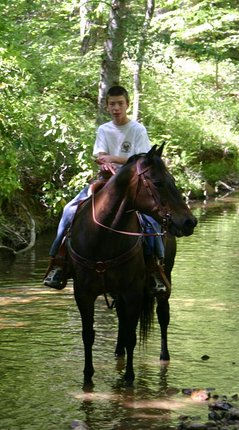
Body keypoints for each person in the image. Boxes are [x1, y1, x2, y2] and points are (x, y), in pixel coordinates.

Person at [43, 85, 166, 293]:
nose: (116, 108)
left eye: (120, 104)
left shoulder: (137, 130)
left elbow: (144, 160)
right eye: (112, 104)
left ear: (127, 105)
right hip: (105, 179)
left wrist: (114, 158)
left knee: (150, 219)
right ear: (107, 106)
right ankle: (58, 262)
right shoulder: (104, 129)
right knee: (70, 210)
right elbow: (99, 153)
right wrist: (103, 160)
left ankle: (155, 267)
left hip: (132, 183)